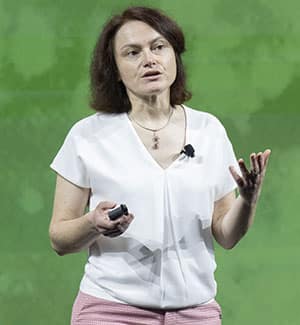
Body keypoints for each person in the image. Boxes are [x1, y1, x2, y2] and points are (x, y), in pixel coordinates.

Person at [49, 6, 271, 325]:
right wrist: (93, 223)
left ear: (174, 57)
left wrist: (248, 201)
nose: (149, 59)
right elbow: (59, 237)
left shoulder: (209, 131)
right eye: (132, 52)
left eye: (158, 47)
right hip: (111, 310)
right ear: (114, 68)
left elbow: (225, 234)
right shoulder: (88, 136)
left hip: (196, 312)